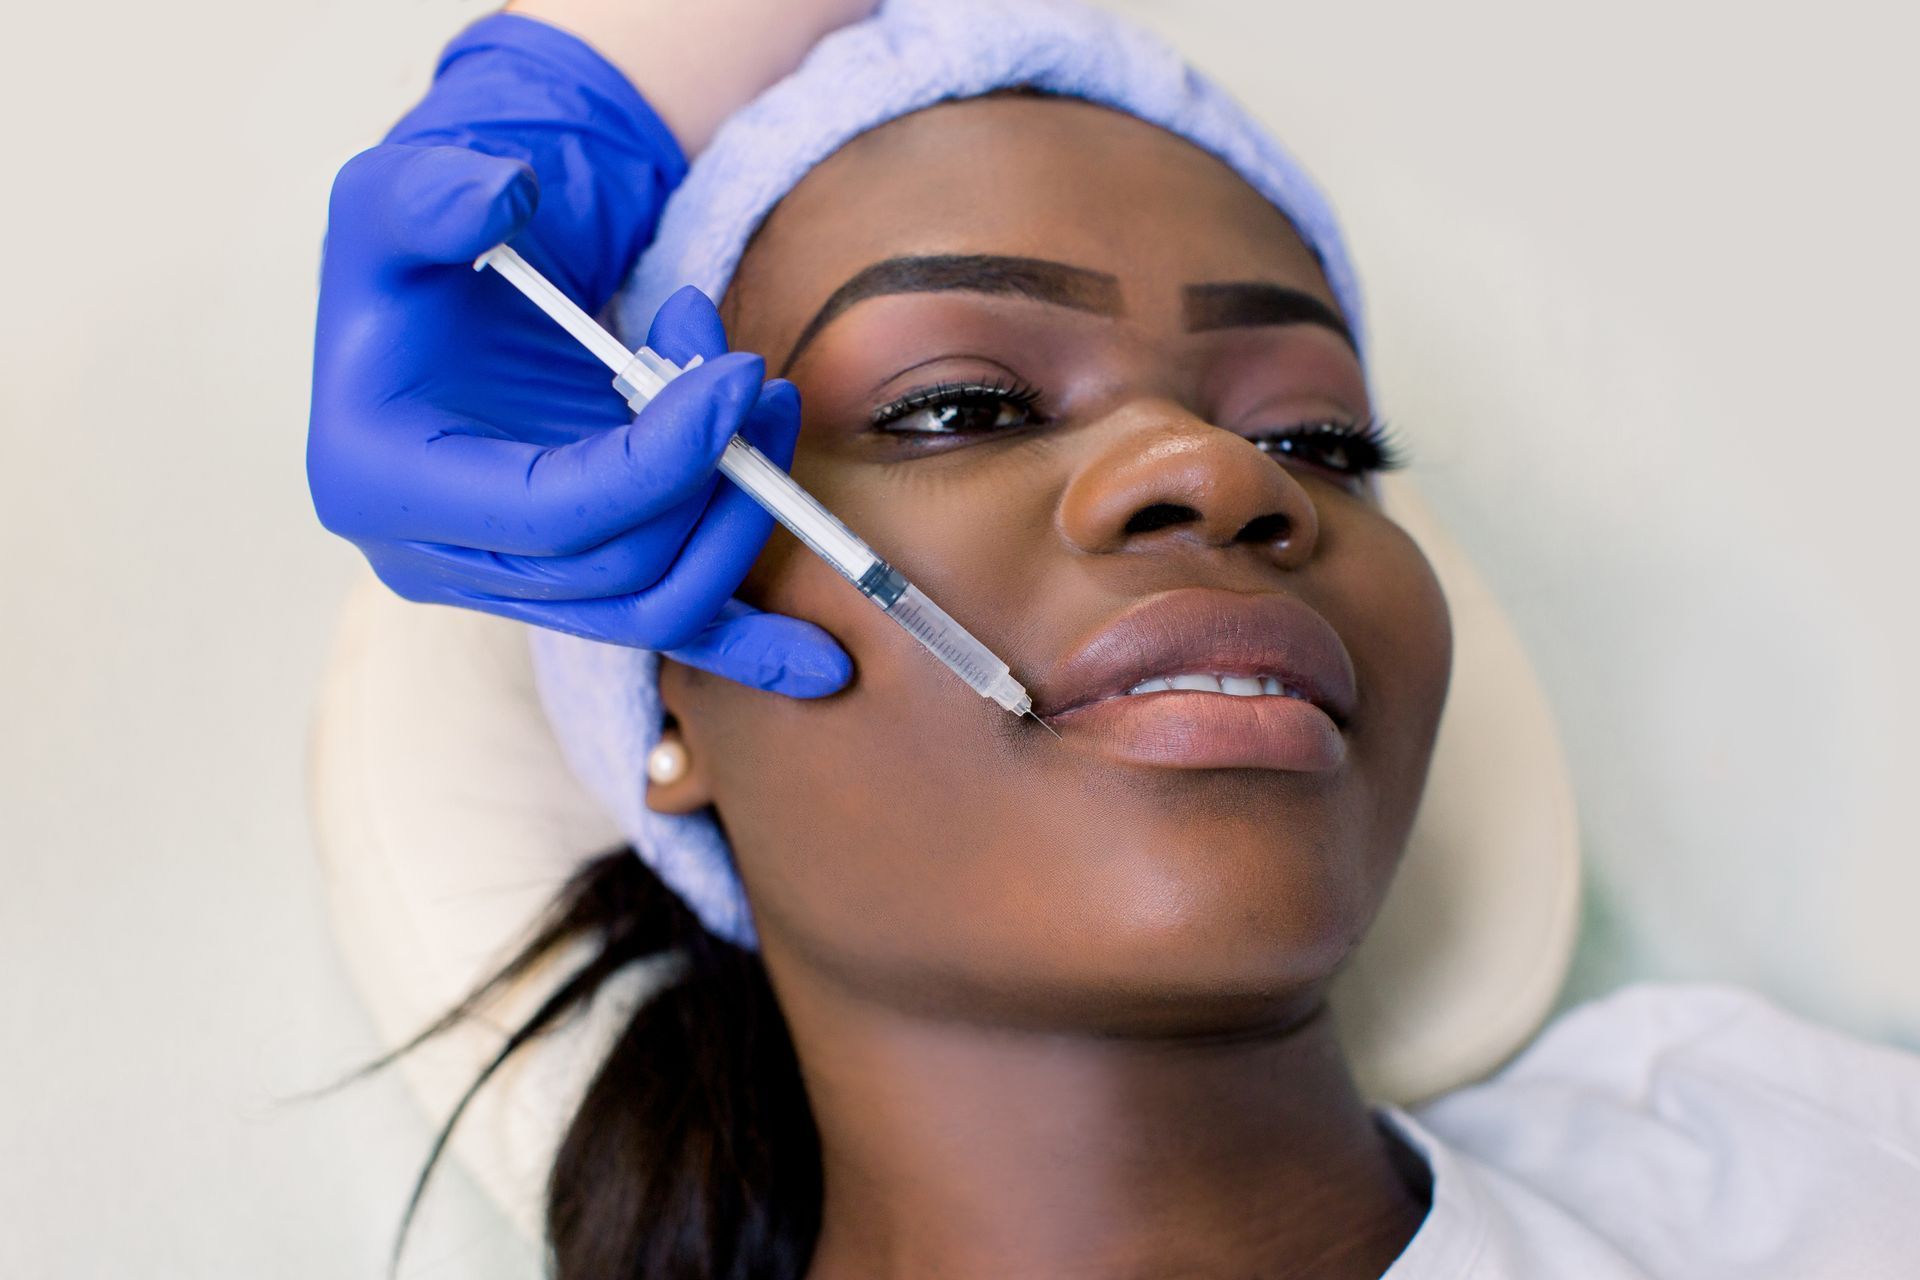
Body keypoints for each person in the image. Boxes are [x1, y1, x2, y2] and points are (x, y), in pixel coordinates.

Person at [309, 3, 1920, 1278]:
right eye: (960, 405)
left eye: (1325, 439)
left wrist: (587, 71)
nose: (1221, 475)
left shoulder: (1780, 1149)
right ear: (676, 695)